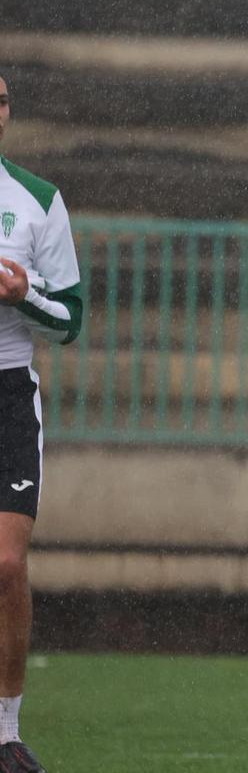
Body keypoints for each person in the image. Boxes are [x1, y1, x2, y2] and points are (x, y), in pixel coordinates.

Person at [0, 72, 84, 773]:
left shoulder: (36, 200)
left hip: (6, 393)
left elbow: (71, 319)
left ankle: (6, 730)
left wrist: (25, 294)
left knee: (5, 563)